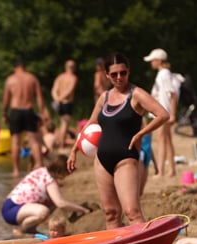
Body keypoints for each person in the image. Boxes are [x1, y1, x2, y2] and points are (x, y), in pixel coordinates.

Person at [67, 52, 169, 229]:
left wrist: (140, 134)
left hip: (126, 159)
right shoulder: (104, 98)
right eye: (114, 74)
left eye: (123, 72)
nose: (119, 77)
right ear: (107, 75)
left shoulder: (136, 94)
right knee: (111, 213)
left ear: (128, 71)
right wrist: (73, 150)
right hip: (101, 161)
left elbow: (163, 115)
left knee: (132, 212)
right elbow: (90, 124)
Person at [1, 154, 90, 237]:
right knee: (44, 211)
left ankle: (30, 229)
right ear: (61, 171)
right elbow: (61, 203)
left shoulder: (42, 170)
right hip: (13, 209)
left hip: (9, 205)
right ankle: (21, 230)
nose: (66, 176)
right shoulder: (49, 179)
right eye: (67, 172)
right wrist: (83, 209)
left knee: (51, 203)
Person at [3, 59, 50, 177]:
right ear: (24, 66)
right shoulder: (32, 78)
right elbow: (39, 97)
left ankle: (16, 171)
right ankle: (39, 165)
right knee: (34, 141)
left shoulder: (10, 79)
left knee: (15, 142)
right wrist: (41, 112)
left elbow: (6, 99)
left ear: (15, 68)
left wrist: (4, 113)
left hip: (15, 111)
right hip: (28, 110)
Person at [145, 48, 183, 178]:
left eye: (153, 60)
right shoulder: (164, 73)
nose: (151, 63)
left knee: (161, 140)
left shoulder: (164, 74)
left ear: (159, 61)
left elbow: (172, 94)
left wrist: (172, 114)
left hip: (163, 112)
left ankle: (160, 171)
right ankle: (171, 170)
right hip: (164, 111)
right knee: (167, 140)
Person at [51, 59, 78, 148]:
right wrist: (61, 99)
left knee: (62, 123)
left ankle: (61, 142)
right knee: (64, 125)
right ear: (73, 68)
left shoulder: (60, 77)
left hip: (59, 103)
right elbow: (69, 91)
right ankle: (62, 145)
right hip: (66, 103)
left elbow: (54, 90)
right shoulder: (73, 78)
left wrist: (57, 99)